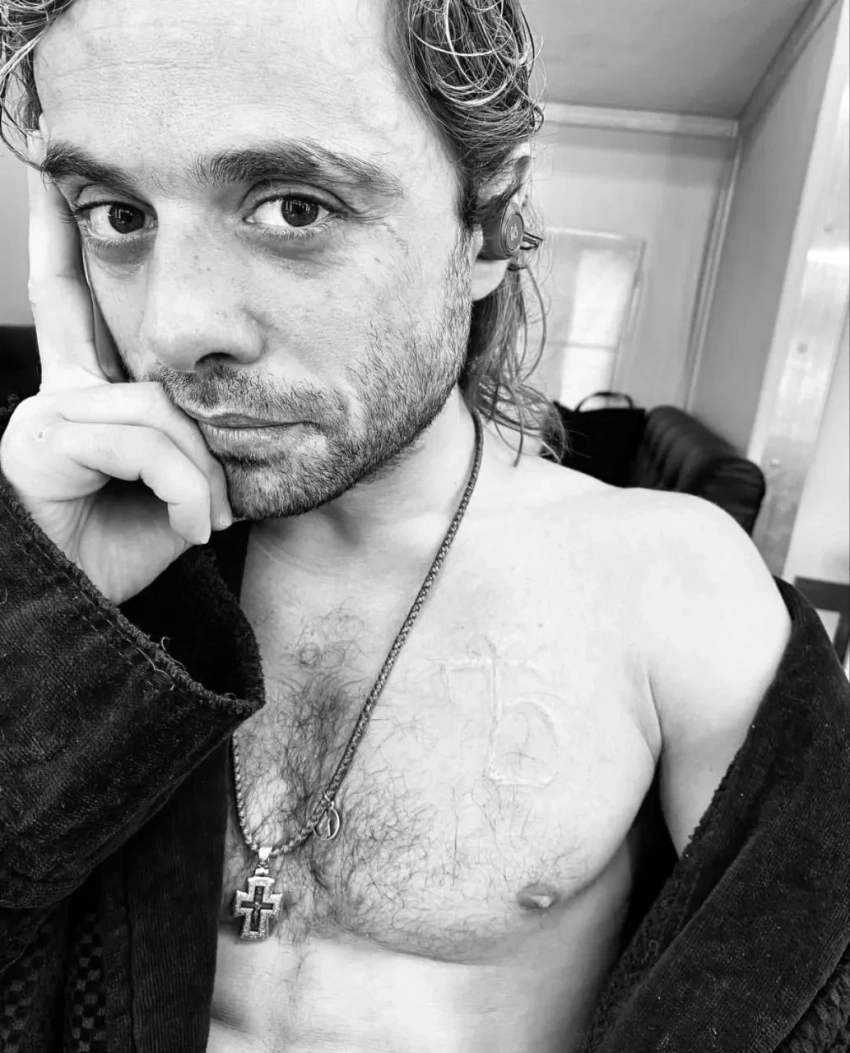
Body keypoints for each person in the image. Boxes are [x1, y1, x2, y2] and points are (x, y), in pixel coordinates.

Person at [0, 1, 847, 1051]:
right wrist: (42, 604)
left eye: (294, 207)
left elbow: (803, 1000)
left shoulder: (668, 589)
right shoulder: (66, 545)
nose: (174, 328)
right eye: (118, 214)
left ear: (485, 226)